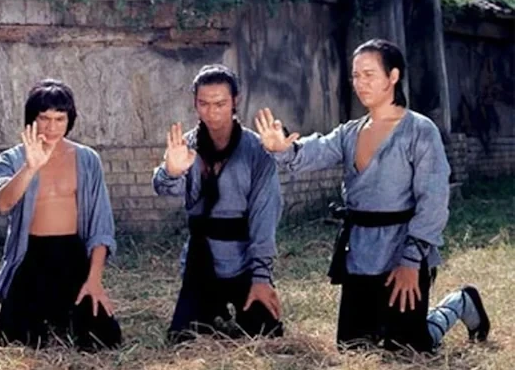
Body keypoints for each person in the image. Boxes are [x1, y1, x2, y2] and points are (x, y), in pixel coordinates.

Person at [255, 38, 490, 352]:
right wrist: (282, 149)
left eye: (369, 74)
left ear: (393, 76)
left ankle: (460, 302)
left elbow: (433, 201)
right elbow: (313, 152)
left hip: (402, 252)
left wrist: (411, 260)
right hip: (361, 253)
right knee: (353, 347)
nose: (360, 83)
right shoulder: (349, 132)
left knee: (408, 348)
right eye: (356, 75)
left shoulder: (420, 131)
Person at [153, 64, 284, 343]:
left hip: (244, 261)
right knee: (183, 339)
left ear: (235, 101)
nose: (212, 112)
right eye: (204, 104)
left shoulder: (256, 149)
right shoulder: (186, 146)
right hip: (201, 260)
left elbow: (265, 217)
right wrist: (171, 171)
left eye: (220, 104)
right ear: (195, 103)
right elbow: (163, 188)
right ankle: (209, 309)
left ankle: (241, 304)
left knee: (267, 334)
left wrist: (261, 278)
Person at [0, 79, 121, 350]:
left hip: (71, 253)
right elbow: (2, 203)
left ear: (69, 120)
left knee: (104, 338)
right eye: (44, 118)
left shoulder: (87, 158)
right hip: (30, 254)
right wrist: (30, 168)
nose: (51, 127)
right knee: (17, 339)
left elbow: (101, 226)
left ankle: (66, 314)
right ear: (32, 119)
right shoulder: (11, 159)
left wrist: (94, 280)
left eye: (59, 119)